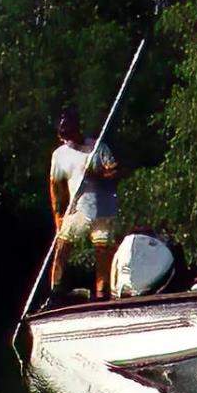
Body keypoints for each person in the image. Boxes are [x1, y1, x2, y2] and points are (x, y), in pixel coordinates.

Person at [49, 106, 121, 300]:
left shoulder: (97, 148)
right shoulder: (60, 155)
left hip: (103, 210)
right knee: (63, 245)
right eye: (62, 134)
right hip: (79, 209)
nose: (66, 138)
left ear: (76, 128)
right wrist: (58, 214)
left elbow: (115, 172)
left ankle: (101, 293)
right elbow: (55, 186)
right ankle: (56, 291)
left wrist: (98, 174)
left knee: (102, 252)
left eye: (68, 133)